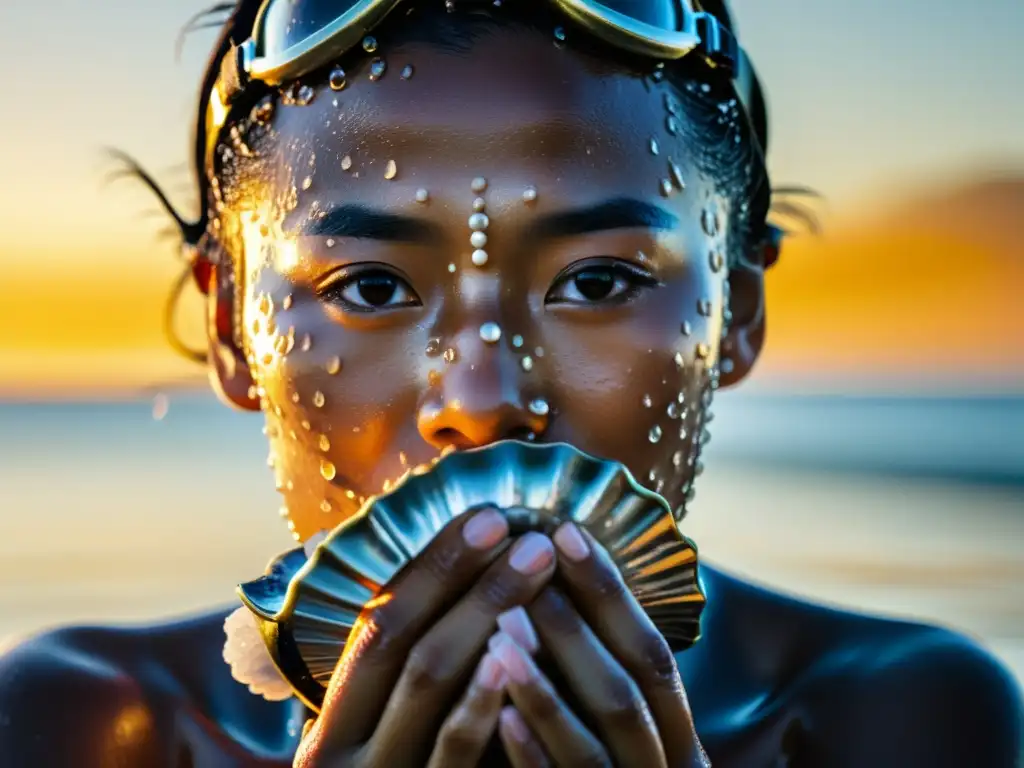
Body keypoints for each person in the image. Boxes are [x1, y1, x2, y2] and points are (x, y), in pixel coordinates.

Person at [1, 0, 1021, 765]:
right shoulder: (91, 722)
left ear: (736, 311)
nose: (483, 399)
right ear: (233, 324)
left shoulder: (907, 718)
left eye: (598, 280)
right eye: (367, 284)